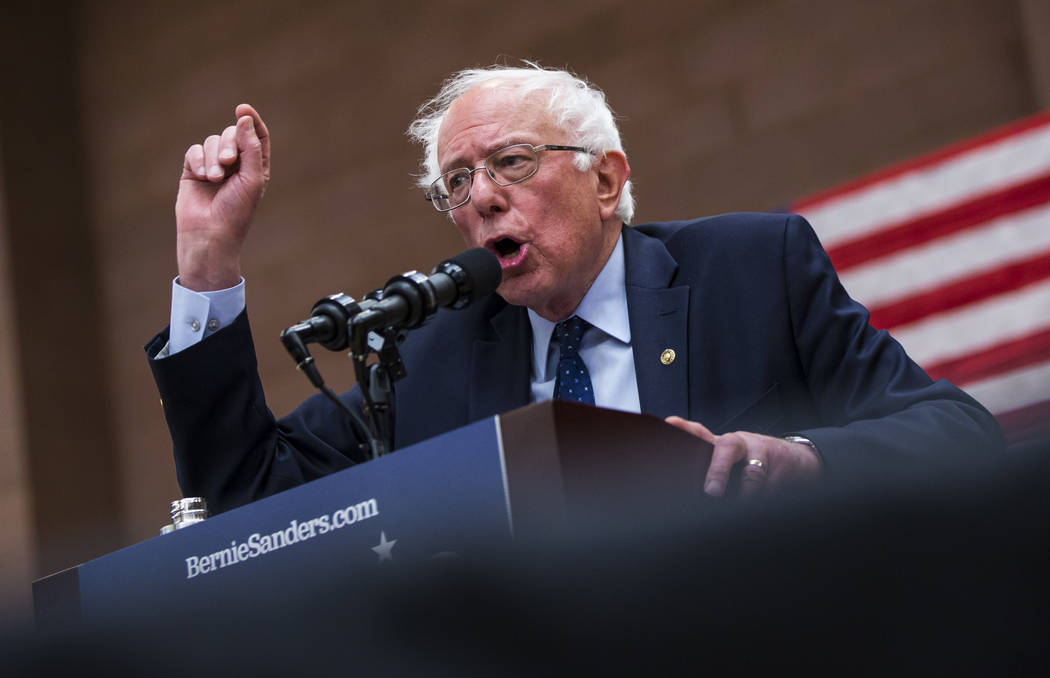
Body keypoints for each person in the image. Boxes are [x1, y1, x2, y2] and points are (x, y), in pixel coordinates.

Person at [147, 64, 1003, 514]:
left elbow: (958, 432)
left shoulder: (755, 271)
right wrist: (206, 258)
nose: (480, 196)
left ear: (606, 180)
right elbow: (245, 493)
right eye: (456, 183)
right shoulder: (421, 354)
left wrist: (810, 462)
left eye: (511, 162)